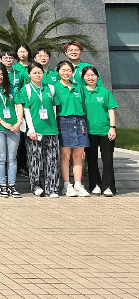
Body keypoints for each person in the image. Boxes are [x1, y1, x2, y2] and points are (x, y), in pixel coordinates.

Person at [15, 62, 59, 197]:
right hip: (34, 130)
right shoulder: (26, 89)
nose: (38, 75)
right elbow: (26, 110)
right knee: (34, 159)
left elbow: (54, 108)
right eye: (34, 73)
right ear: (29, 74)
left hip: (50, 129)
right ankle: (36, 186)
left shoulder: (50, 88)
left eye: (40, 72)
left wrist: (54, 125)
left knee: (52, 160)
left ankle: (52, 187)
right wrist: (31, 129)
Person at [0, 63, 24, 198]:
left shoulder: (13, 88)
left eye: (2, 74)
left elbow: (19, 105)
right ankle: (2, 185)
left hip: (14, 127)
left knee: (12, 158)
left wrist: (19, 122)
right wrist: (2, 122)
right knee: (1, 157)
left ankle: (12, 185)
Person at [54, 61, 91, 197]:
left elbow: (84, 105)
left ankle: (78, 184)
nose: (66, 73)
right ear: (58, 72)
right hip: (64, 121)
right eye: (63, 70)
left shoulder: (78, 87)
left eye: (69, 70)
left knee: (78, 155)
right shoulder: (55, 87)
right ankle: (66, 185)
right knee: (66, 155)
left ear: (73, 72)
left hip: (79, 121)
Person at [81, 66, 118, 196]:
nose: (90, 78)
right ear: (83, 77)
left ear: (97, 77)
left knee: (107, 160)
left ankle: (108, 187)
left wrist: (112, 128)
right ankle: (95, 185)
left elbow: (111, 111)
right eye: (87, 75)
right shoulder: (80, 92)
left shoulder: (104, 92)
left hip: (105, 131)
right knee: (91, 160)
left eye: (93, 75)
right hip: (88, 131)